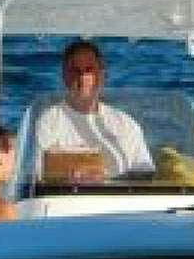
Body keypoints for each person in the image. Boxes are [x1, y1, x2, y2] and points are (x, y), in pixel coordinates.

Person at [30, 39, 153, 179]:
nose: (82, 77)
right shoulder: (48, 122)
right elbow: (38, 175)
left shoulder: (127, 124)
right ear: (64, 76)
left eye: (89, 70)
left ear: (101, 75)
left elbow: (145, 173)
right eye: (75, 71)